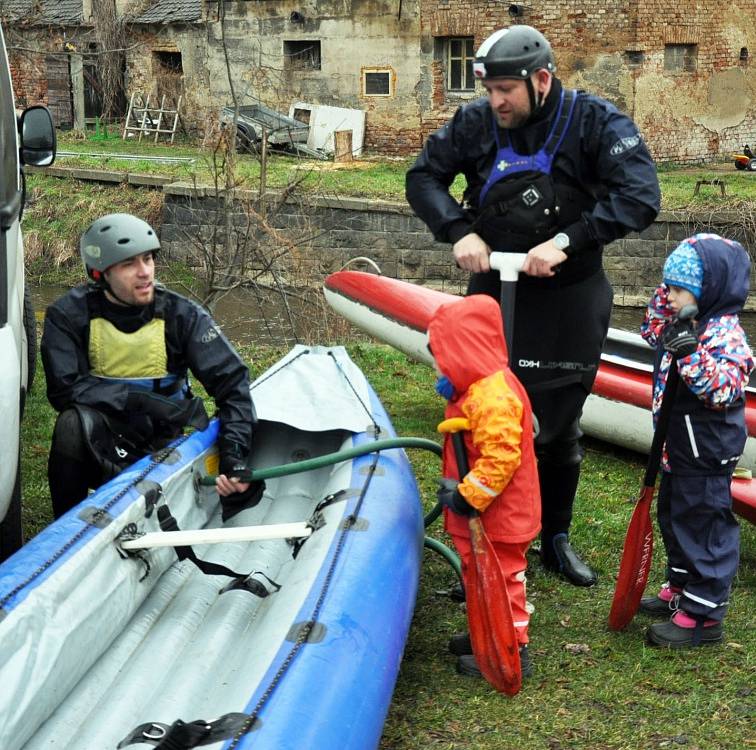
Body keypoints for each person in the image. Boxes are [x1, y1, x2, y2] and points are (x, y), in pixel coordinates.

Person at [406, 25, 661, 586]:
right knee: (482, 414)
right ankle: (480, 528)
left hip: (570, 293)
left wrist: (568, 242)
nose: (495, 101)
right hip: (493, 291)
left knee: (554, 424)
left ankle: (555, 536)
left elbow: (641, 195)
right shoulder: (476, 124)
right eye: (489, 89)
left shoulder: (595, 122)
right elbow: (422, 176)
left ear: (540, 80)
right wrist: (456, 231)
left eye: (506, 90)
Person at [41, 213, 262, 520]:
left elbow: (233, 385)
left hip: (165, 440)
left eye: (148, 259)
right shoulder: (68, 315)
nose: (144, 272)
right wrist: (137, 400)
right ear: (100, 272)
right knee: (68, 424)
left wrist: (234, 454)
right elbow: (63, 390)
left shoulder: (181, 315)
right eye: (128, 264)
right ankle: (65, 530)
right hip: (102, 438)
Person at [639, 234, 753, 647]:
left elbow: (722, 391)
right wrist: (667, 299)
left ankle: (704, 614)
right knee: (674, 516)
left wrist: (691, 355)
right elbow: (652, 331)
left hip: (707, 450)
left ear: (710, 291)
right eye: (666, 287)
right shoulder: (681, 320)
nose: (669, 296)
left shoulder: (726, 336)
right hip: (678, 445)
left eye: (679, 288)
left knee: (704, 525)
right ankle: (682, 586)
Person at [430, 294, 541, 678]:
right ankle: (487, 633)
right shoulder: (477, 387)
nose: (437, 365)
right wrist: (456, 392)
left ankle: (511, 646)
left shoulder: (492, 397)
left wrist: (467, 495)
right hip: (485, 514)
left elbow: (501, 457)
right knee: (478, 573)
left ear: (464, 350)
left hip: (499, 514)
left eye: (442, 356)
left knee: (501, 575)